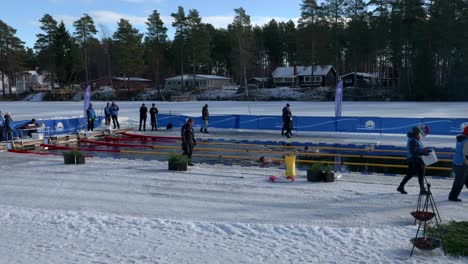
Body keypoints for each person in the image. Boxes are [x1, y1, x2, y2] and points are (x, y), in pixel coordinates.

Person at [397, 126, 430, 195]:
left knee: (414, 174)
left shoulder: (415, 139)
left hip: (415, 159)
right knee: (417, 174)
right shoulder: (413, 140)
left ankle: (401, 186)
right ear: (417, 133)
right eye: (420, 132)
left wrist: (424, 150)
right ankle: (422, 190)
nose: (421, 133)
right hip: (414, 160)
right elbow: (414, 152)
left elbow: (418, 149)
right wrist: (423, 153)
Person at [448, 127, 468, 202]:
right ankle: (453, 196)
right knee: (459, 181)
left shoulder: (461, 139)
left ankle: (453, 195)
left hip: (457, 162)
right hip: (462, 163)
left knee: (465, 178)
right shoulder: (466, 141)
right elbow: (466, 155)